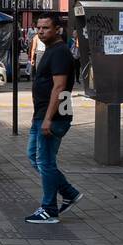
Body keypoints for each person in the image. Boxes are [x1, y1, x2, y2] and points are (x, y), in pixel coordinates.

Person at [25, 12, 82, 224]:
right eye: (38, 28)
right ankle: (69, 192)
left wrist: (48, 118)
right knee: (34, 156)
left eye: (45, 28)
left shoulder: (59, 52)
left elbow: (59, 87)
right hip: (42, 114)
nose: (40, 31)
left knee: (46, 162)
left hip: (52, 116)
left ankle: (49, 209)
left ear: (57, 29)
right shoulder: (50, 50)